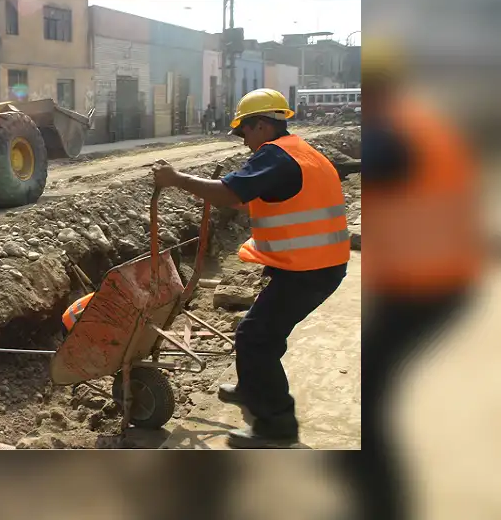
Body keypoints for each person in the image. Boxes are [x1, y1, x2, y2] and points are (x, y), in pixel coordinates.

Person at [151, 87, 350, 448]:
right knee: (258, 332)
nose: (244, 142)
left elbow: (231, 193)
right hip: (320, 264)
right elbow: (279, 201)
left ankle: (276, 427)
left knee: (255, 338)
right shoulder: (302, 153)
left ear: (260, 126)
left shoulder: (274, 155)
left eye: (243, 132)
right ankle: (251, 389)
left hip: (308, 270)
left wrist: (177, 179)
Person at [339, 42, 482, 520]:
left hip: (426, 286)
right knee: (377, 385)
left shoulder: (396, 133)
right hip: (437, 279)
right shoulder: (421, 124)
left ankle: (381, 503)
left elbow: (373, 166)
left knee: (371, 395)